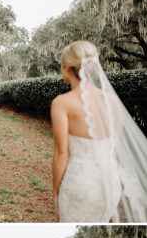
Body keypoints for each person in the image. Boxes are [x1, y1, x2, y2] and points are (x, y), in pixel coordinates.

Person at [50, 40, 147, 222]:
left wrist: (55, 190)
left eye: (61, 66)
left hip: (80, 182)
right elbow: (116, 149)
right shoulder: (112, 102)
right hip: (110, 183)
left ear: (67, 68)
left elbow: (61, 153)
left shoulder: (62, 103)